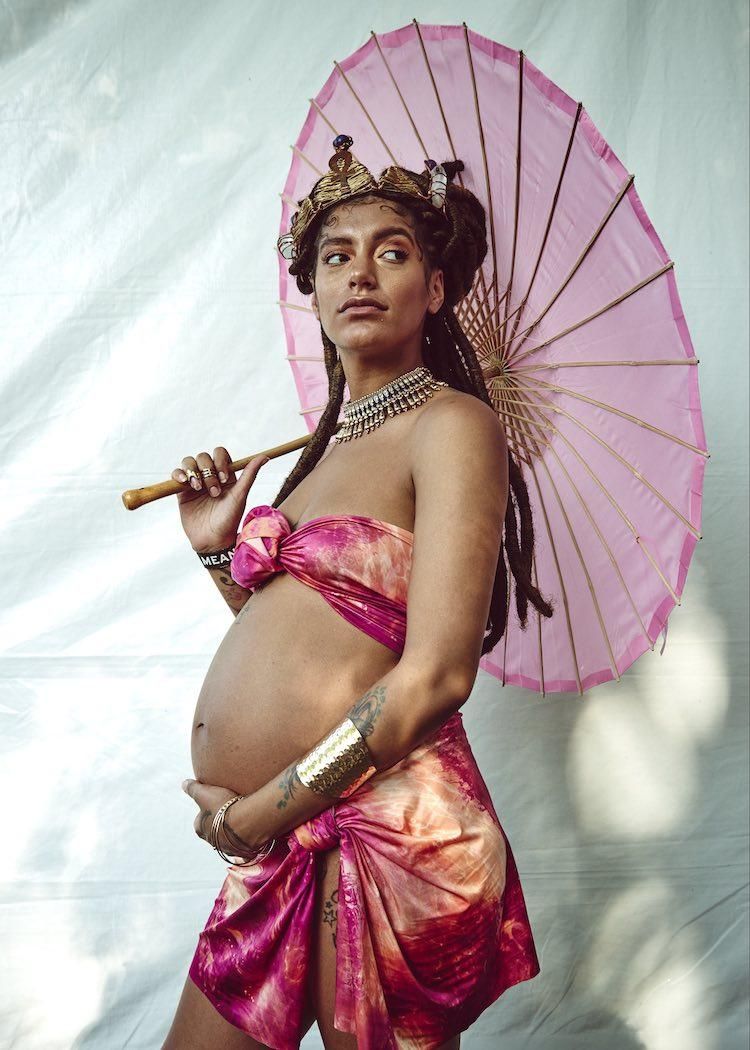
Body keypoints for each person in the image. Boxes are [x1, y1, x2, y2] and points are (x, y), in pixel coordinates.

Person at [162, 138, 554, 1050]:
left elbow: (435, 678)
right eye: (337, 254)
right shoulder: (319, 453)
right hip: (293, 840)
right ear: (314, 292)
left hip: (389, 837)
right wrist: (219, 554)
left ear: (437, 288)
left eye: (393, 250)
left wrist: (262, 810)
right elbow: (324, 644)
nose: (361, 272)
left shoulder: (453, 426)